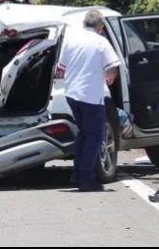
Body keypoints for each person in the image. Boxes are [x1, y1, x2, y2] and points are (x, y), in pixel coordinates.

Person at [57, 10, 120, 192]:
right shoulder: (101, 42)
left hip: (72, 95)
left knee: (83, 134)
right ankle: (85, 180)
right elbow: (113, 67)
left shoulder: (71, 40)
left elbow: (61, 67)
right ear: (100, 27)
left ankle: (77, 174)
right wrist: (110, 79)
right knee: (94, 137)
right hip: (91, 96)